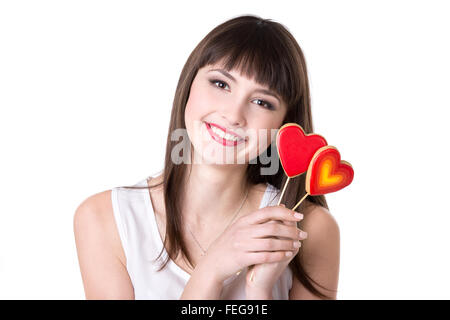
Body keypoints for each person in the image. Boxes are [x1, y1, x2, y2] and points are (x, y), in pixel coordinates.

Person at [73, 14, 340, 300]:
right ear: (189, 84)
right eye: (221, 84)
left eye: (261, 102)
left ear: (284, 127)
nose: (234, 115)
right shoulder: (105, 219)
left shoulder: (309, 228)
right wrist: (211, 270)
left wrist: (259, 290)